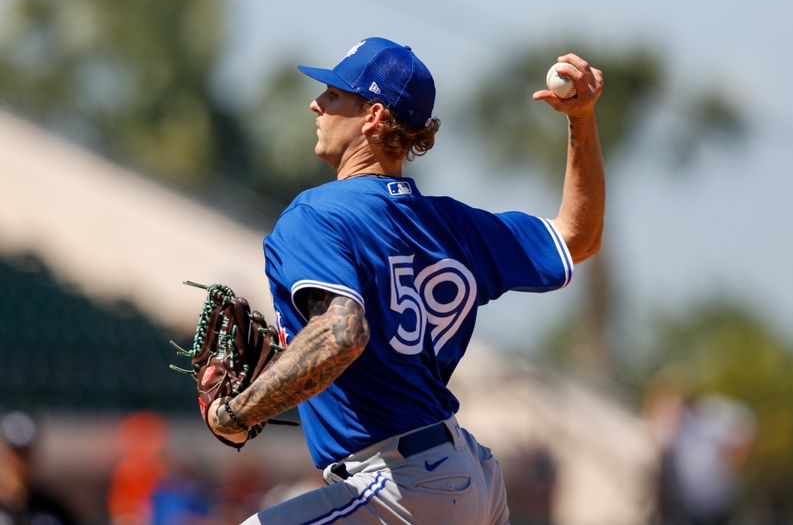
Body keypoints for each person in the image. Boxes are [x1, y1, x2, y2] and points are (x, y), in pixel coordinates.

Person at [207, 36, 604, 524]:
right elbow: (578, 237)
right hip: (467, 478)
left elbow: (341, 334)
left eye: (334, 94)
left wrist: (237, 415)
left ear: (372, 116)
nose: (317, 103)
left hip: (401, 485)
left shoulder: (317, 216)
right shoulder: (452, 224)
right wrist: (581, 120)